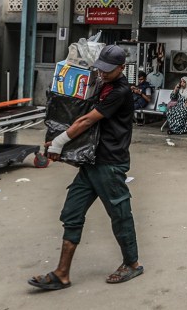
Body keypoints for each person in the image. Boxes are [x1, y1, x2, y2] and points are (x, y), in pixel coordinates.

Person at [30, 45, 143, 291]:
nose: (103, 73)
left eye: (108, 70)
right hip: (91, 161)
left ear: (122, 68)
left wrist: (59, 142)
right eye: (100, 68)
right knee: (72, 212)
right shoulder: (101, 84)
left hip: (110, 163)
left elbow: (87, 120)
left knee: (120, 214)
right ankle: (62, 273)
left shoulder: (120, 92)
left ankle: (132, 263)